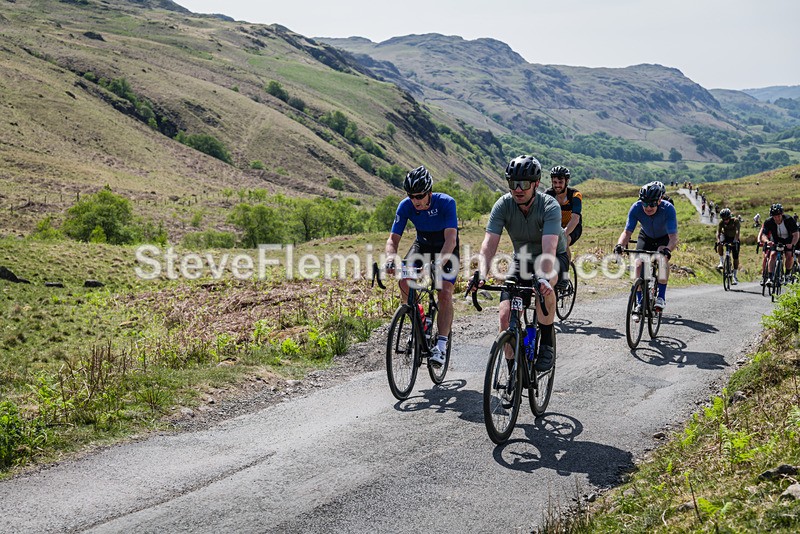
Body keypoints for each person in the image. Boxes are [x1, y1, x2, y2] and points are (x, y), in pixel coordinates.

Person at [471, 155, 568, 372]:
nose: (518, 189)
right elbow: (489, 244)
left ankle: (547, 342)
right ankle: (513, 372)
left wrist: (542, 279)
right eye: (513, 184)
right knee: (505, 318)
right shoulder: (504, 205)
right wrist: (481, 273)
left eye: (524, 184)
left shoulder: (550, 206)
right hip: (522, 259)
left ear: (535, 184)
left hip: (552, 257)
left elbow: (549, 249)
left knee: (546, 287)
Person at [384, 166, 459, 366]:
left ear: (429, 193)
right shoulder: (405, 205)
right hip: (423, 245)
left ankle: (441, 346)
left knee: (444, 292)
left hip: (445, 248)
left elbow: (451, 239)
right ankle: (421, 318)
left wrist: (438, 264)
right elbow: (393, 238)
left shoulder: (446, 203)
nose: (415, 201)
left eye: (419, 196)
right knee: (404, 280)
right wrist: (390, 258)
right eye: (411, 196)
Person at [613, 181, 678, 313]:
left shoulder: (668, 209)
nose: (648, 208)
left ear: (659, 201)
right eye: (645, 204)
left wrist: (668, 249)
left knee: (662, 260)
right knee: (638, 265)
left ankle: (661, 296)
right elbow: (627, 232)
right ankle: (639, 301)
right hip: (646, 236)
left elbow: (673, 238)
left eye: (652, 204)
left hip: (663, 238)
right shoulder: (636, 207)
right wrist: (620, 245)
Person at [544, 165, 582, 268]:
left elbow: (575, 218)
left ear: (567, 182)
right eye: (555, 182)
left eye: (560, 182)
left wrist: (564, 234)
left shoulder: (575, 195)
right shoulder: (548, 194)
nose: (557, 186)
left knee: (565, 241)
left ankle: (565, 270)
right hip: (556, 225)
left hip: (573, 226)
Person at [759, 203, 799, 286]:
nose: (776, 218)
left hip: (788, 240)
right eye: (774, 216)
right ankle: (770, 277)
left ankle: (787, 275)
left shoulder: (789, 220)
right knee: (772, 255)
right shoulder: (769, 221)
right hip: (776, 239)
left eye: (778, 216)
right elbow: (763, 234)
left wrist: (792, 244)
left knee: (789, 255)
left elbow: (796, 234)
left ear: (782, 214)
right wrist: (767, 241)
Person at [715, 208, 741, 284]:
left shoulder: (735, 221)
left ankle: (735, 276)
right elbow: (718, 232)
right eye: (723, 219)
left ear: (730, 217)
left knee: (735, 258)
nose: (725, 220)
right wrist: (718, 241)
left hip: (734, 238)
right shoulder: (721, 222)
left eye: (727, 219)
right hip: (726, 237)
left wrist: (735, 241)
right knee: (720, 244)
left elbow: (737, 232)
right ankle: (721, 261)